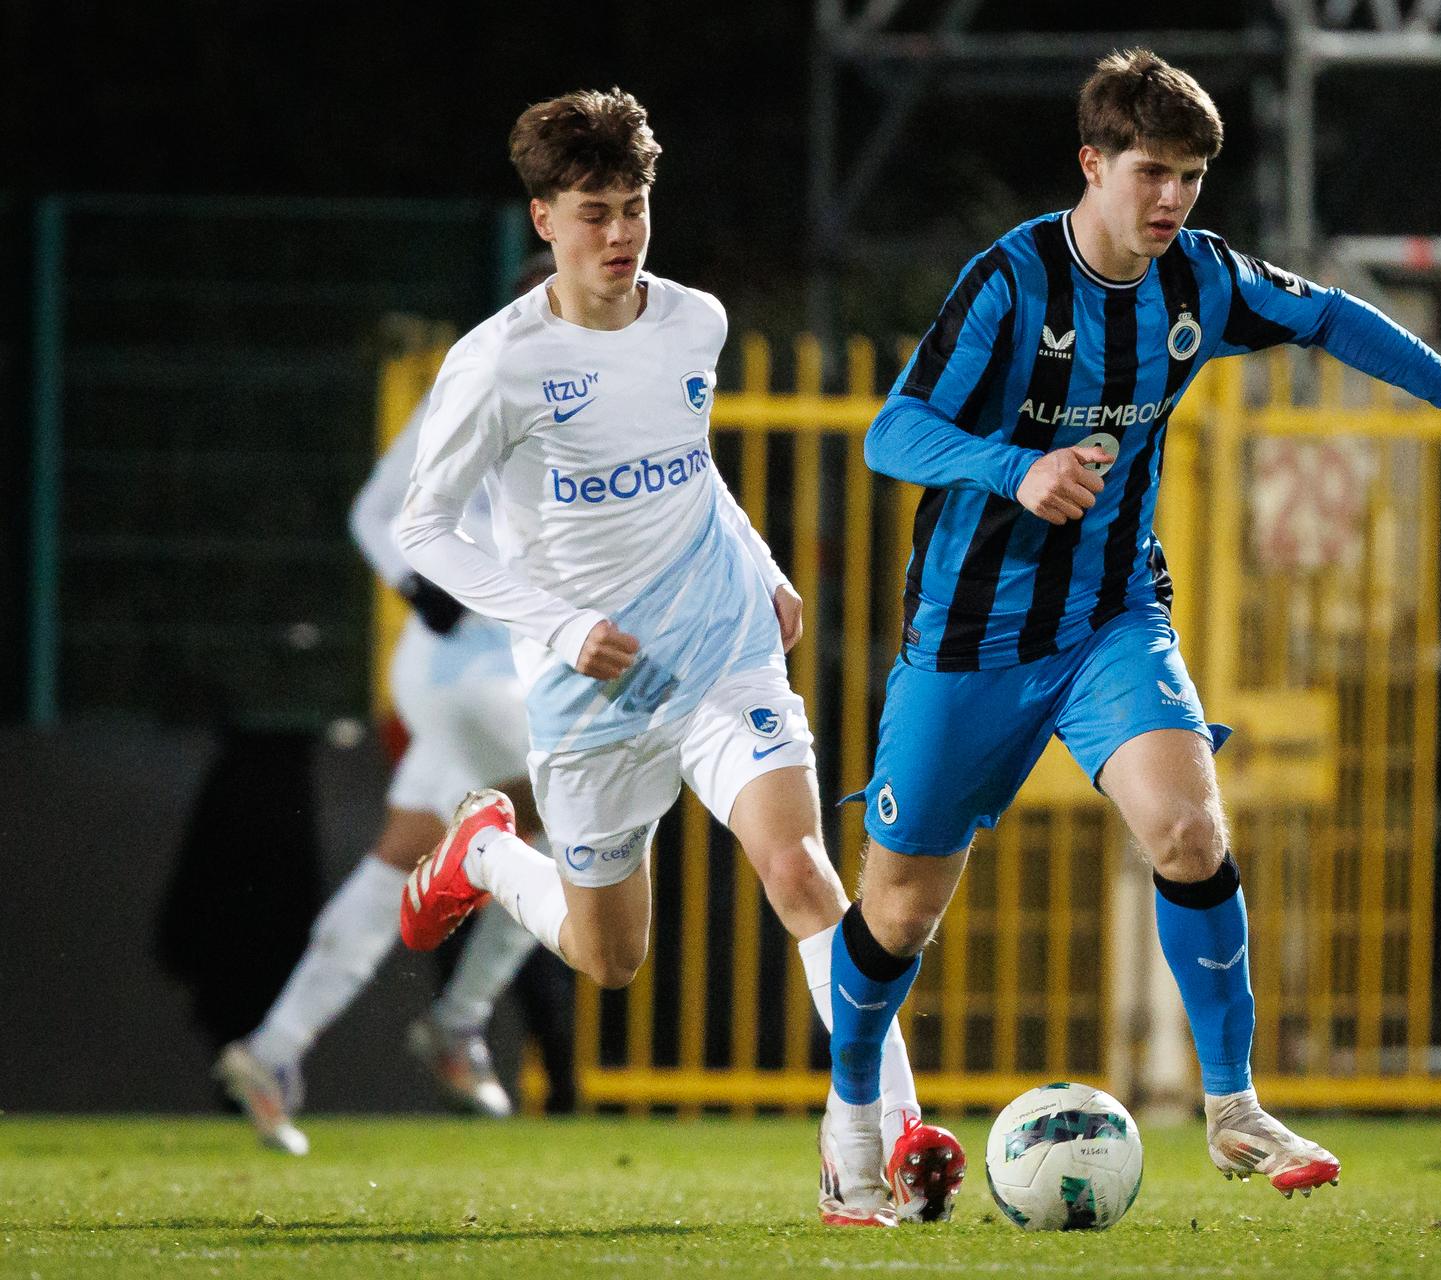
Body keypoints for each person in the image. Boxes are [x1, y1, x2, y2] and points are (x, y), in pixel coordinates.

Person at [826, 49, 1441, 1203]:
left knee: (1188, 829)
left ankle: (1232, 1105)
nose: (1171, 198)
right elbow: (893, 431)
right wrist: (1016, 468)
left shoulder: (1201, 282)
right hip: (969, 639)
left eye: (1191, 177)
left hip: (1111, 617)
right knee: (901, 908)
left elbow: (1330, 317)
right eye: (1151, 173)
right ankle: (852, 1113)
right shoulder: (1012, 282)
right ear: (1092, 164)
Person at [391, 88, 961, 1226]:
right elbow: (424, 530)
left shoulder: (693, 321)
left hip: (717, 649)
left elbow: (688, 465)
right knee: (609, 958)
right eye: (594, 212)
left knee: (802, 870)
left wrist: (760, 563)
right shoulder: (498, 364)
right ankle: (485, 853)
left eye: (635, 207)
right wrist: (561, 626)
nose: (621, 234)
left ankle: (880, 1137)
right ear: (545, 219)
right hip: (594, 687)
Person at [214, 257, 561, 1151]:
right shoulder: (485, 384)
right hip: (471, 673)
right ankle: (457, 1020)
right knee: (596, 811)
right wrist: (419, 586)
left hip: (481, 678)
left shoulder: (591, 396)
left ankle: (273, 1050)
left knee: (397, 857)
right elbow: (377, 512)